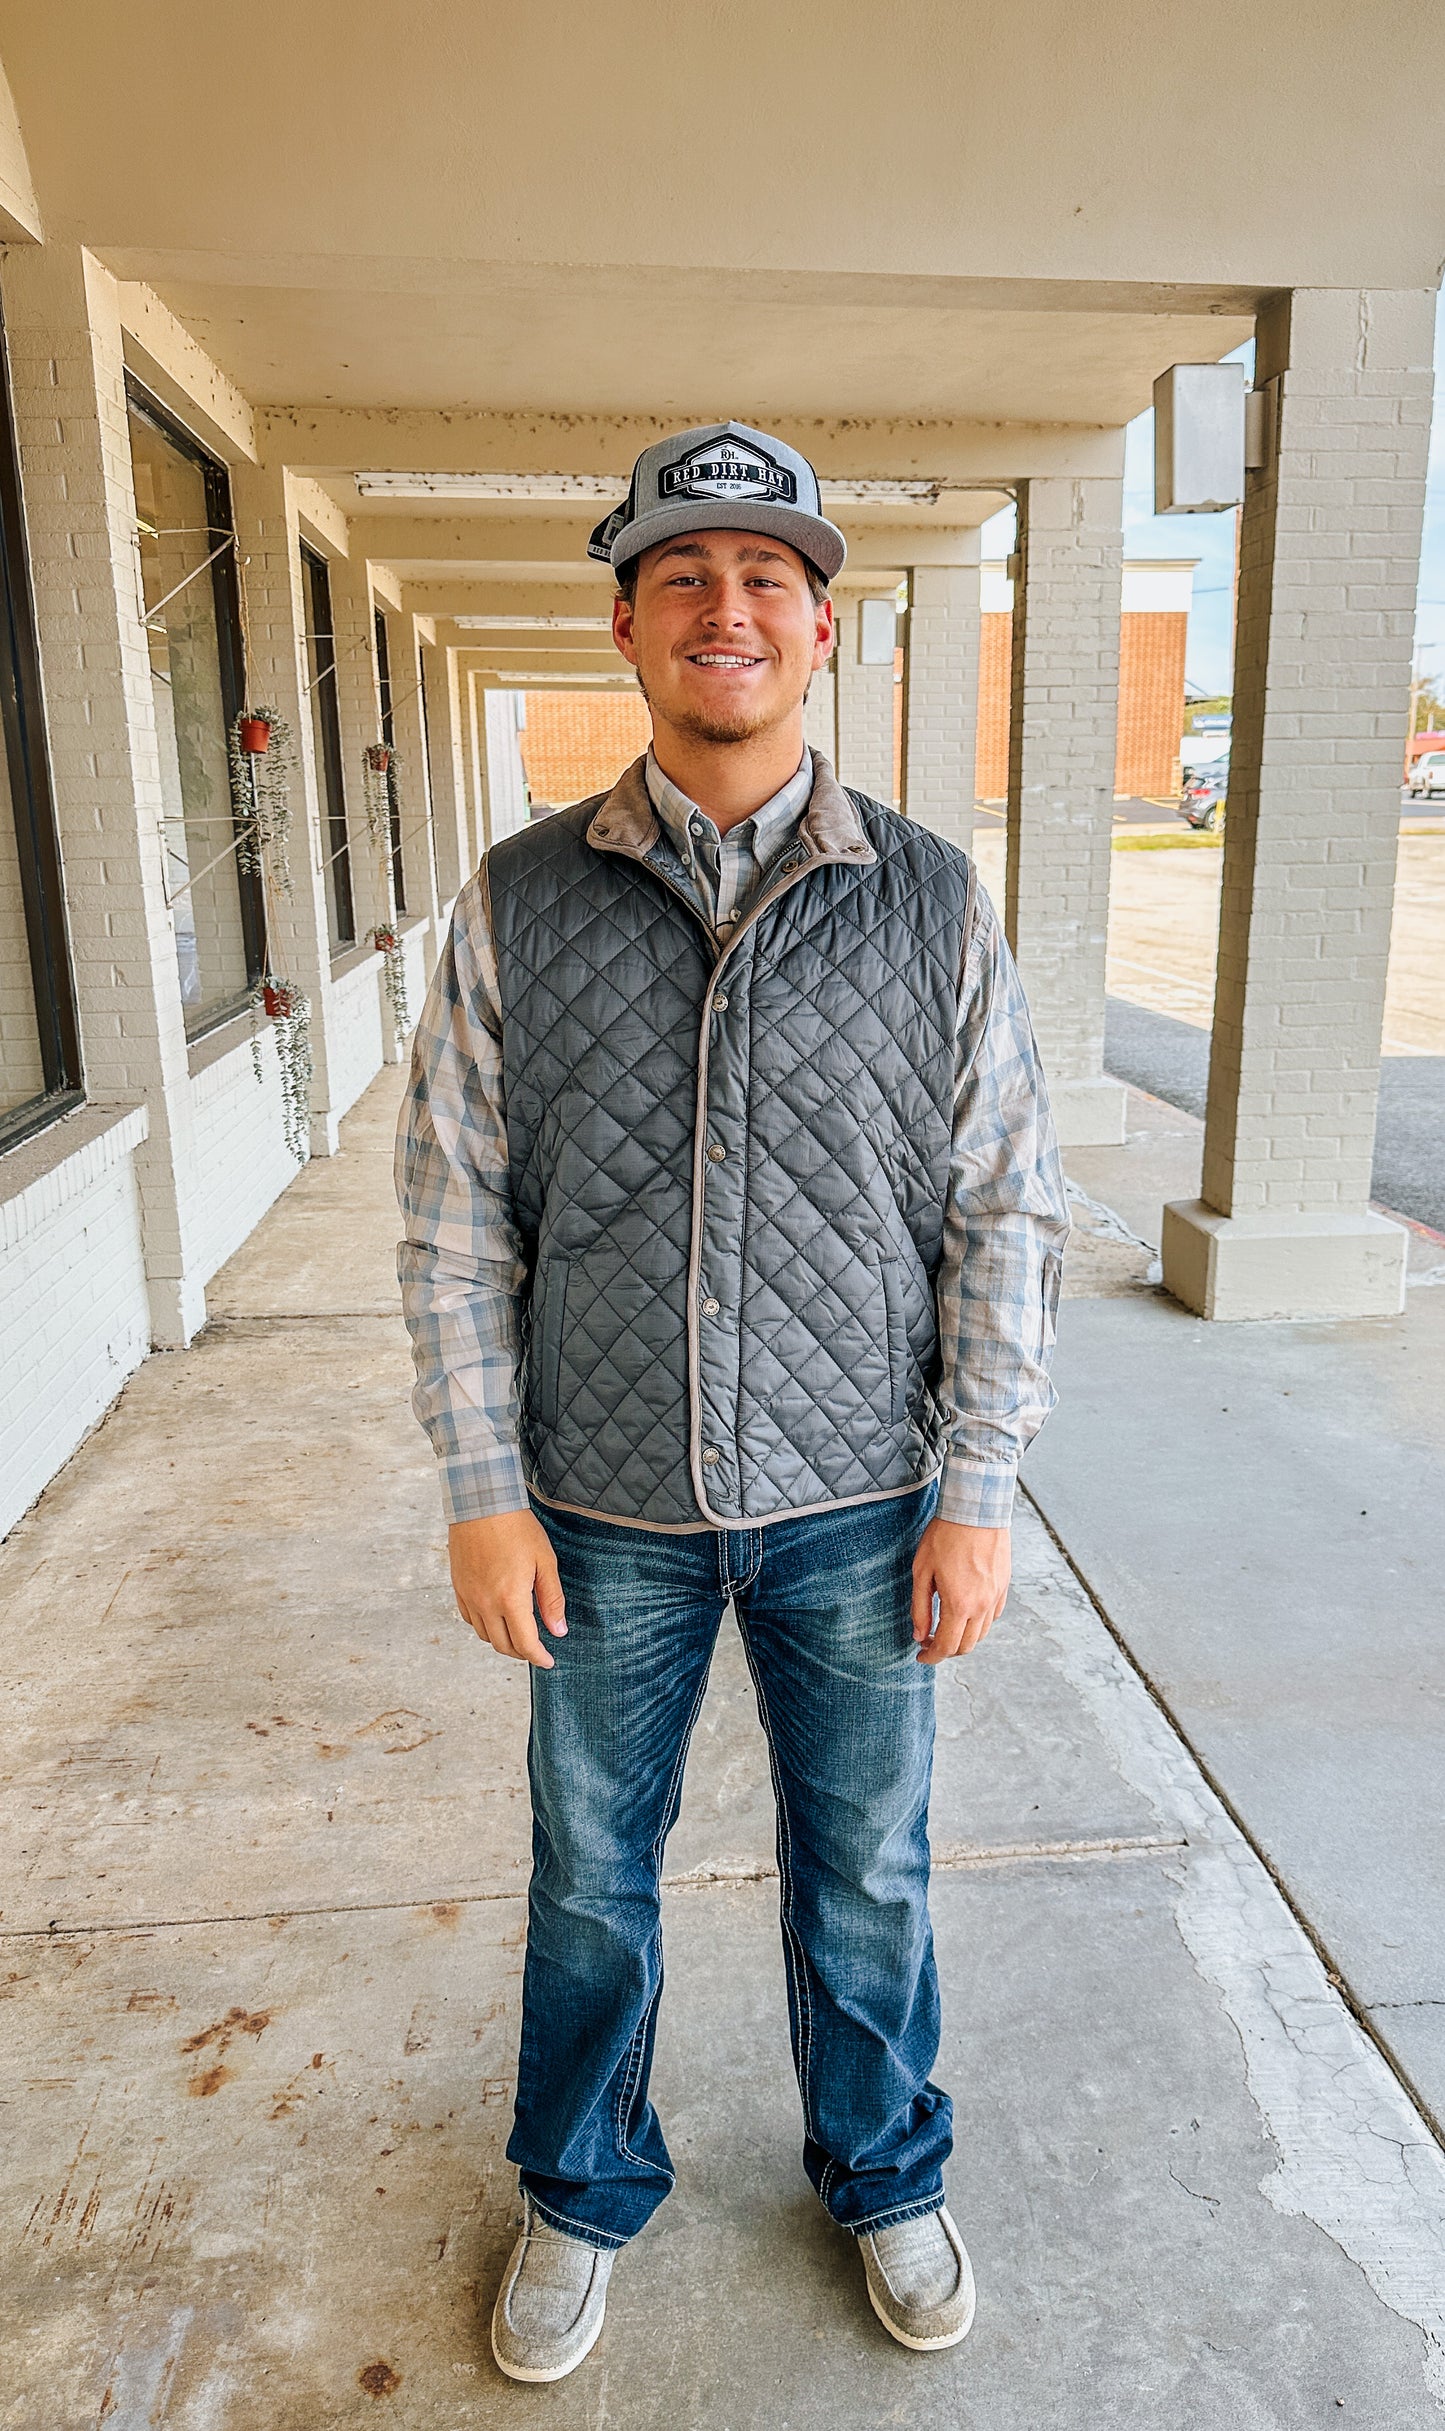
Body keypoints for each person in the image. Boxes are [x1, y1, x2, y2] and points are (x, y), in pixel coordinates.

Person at [396, 421, 1069, 2384]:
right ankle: (581, 2188)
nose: (728, 606)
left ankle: (884, 2170)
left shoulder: (934, 901)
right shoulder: (518, 902)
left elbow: (1004, 1201)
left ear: (822, 627)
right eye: (686, 574)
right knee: (591, 1878)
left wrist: (979, 1484)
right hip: (600, 1507)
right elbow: (453, 1215)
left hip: (863, 1500)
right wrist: (480, 1481)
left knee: (868, 1864)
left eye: (765, 575)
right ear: (625, 625)